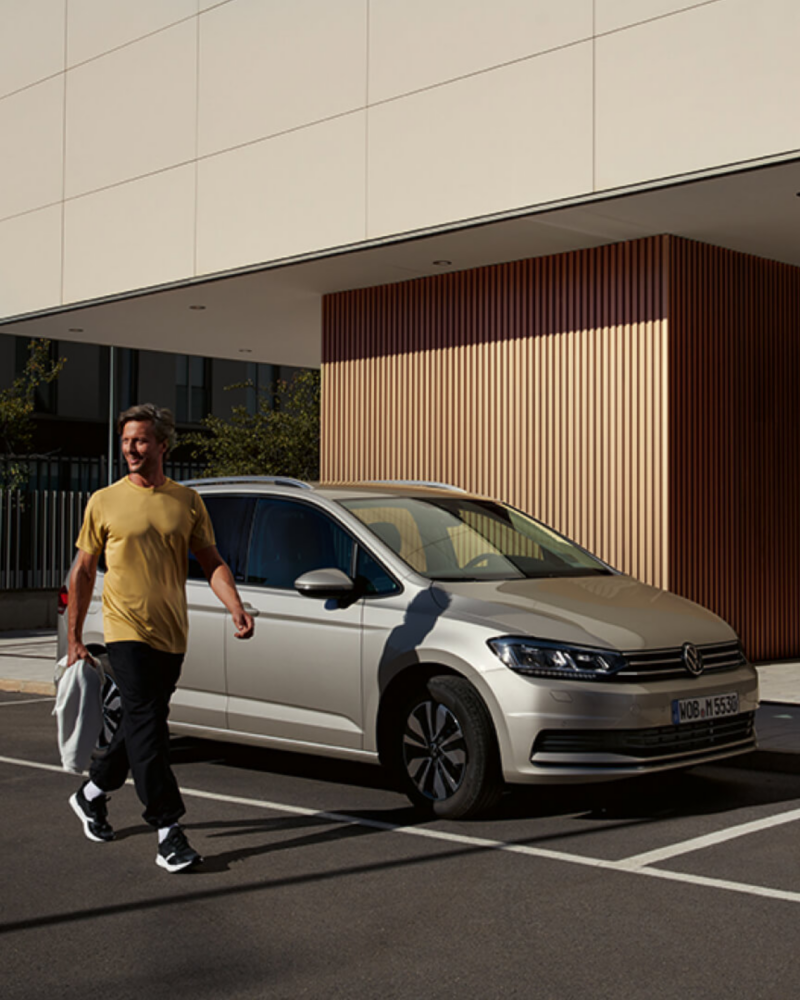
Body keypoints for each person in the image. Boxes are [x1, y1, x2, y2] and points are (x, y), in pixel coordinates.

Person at [66, 403, 254, 872]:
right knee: (150, 726)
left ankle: (91, 794)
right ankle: (168, 830)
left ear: (162, 445)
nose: (131, 448)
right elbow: (84, 571)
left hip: (172, 634)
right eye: (126, 440)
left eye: (141, 440)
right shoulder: (104, 501)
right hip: (124, 630)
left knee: (139, 723)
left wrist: (235, 606)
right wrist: (75, 637)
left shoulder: (186, 502)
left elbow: (211, 562)